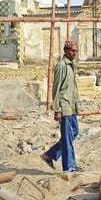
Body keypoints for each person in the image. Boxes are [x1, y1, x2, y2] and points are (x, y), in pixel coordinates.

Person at [41, 40, 82, 172]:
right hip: (64, 107)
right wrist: (57, 110)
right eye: (72, 50)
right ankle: (69, 166)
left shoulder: (72, 65)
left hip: (71, 106)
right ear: (65, 51)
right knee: (67, 136)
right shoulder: (61, 66)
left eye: (75, 51)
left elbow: (72, 89)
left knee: (74, 132)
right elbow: (56, 89)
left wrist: (76, 106)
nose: (74, 53)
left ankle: (50, 154)